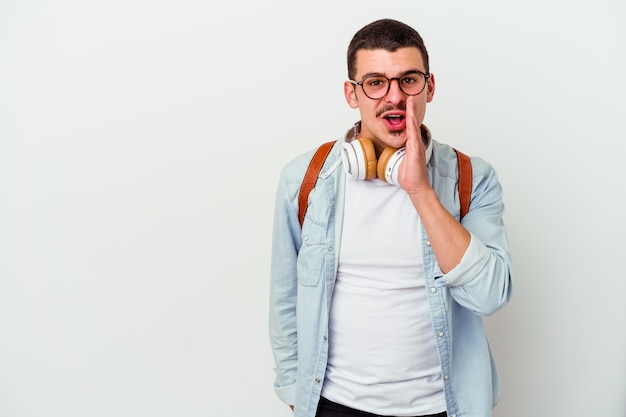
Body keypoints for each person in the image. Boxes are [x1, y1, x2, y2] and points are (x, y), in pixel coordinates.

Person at [268, 18, 513, 417]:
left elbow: (489, 296)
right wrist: (296, 394)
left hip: (443, 406)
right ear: (352, 93)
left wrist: (420, 191)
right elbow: (285, 299)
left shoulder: (472, 179)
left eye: (409, 80)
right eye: (376, 82)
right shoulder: (304, 180)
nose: (394, 97)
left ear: (429, 87)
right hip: (335, 404)